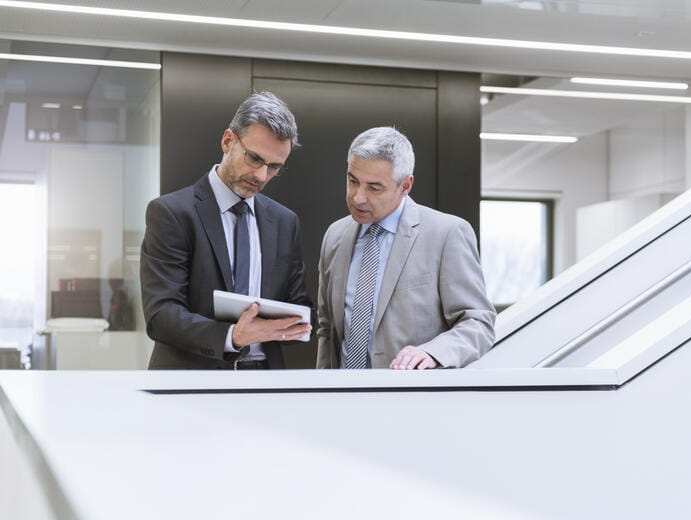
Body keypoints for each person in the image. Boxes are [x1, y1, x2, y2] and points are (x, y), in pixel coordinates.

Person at [141, 92, 312, 370]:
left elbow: (298, 307)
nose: (261, 176)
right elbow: (161, 315)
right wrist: (233, 336)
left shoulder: (284, 222)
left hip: (264, 379)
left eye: (274, 167)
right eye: (254, 159)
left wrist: (295, 324)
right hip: (191, 380)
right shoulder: (172, 213)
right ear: (228, 141)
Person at [316, 126, 495, 370]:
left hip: (413, 399)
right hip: (343, 399)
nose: (358, 197)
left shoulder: (447, 234)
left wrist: (434, 353)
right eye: (352, 181)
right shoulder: (335, 236)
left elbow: (478, 322)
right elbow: (327, 330)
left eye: (374, 187)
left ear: (405, 186)